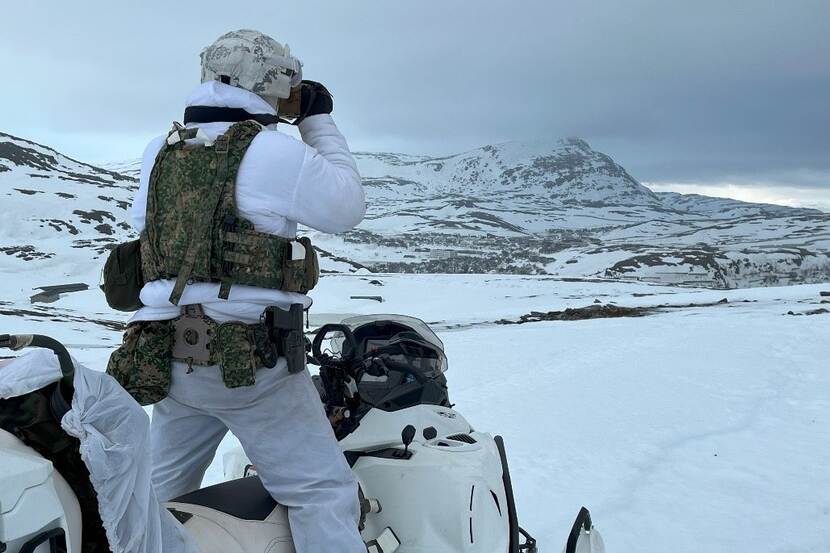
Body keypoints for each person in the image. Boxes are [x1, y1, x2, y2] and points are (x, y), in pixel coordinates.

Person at [122, 29, 367, 553]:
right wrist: (317, 120)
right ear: (271, 82)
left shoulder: (159, 151)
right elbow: (346, 207)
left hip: (170, 356)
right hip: (253, 366)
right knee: (321, 494)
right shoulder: (272, 151)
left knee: (161, 493)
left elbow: (147, 231)